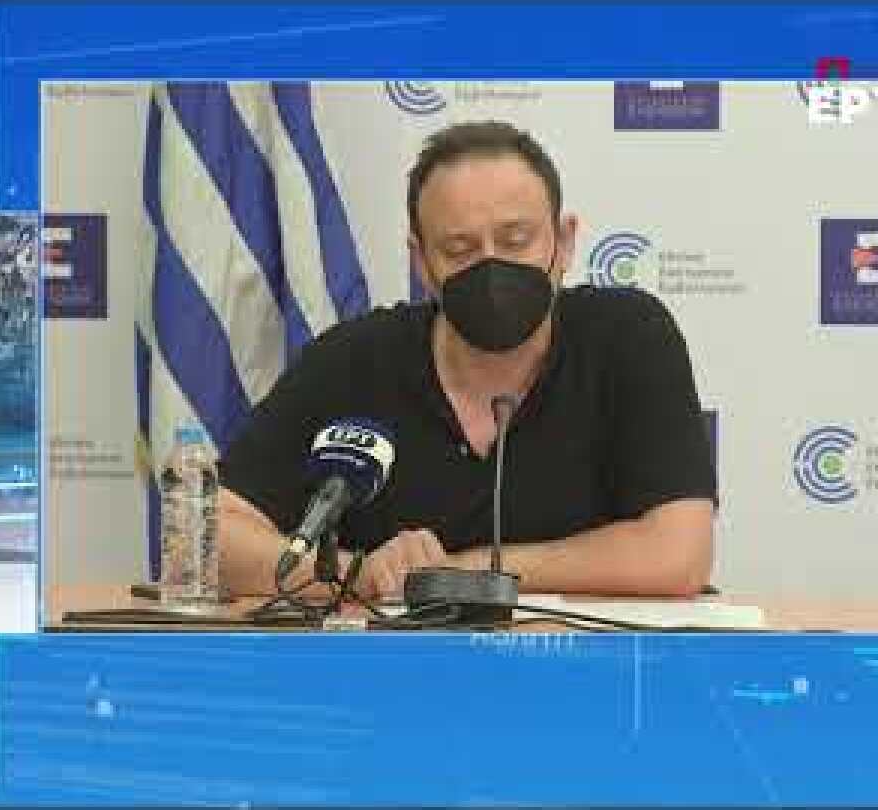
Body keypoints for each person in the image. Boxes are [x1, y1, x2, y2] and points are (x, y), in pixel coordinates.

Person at [216, 121, 716, 600]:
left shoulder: (627, 337)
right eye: (459, 249)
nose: (491, 265)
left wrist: (468, 571)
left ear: (563, 243)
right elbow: (212, 531)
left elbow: (677, 555)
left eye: (516, 241)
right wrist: (355, 573)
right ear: (422, 262)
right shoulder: (355, 359)